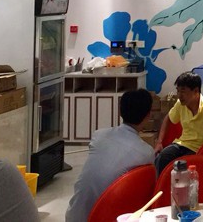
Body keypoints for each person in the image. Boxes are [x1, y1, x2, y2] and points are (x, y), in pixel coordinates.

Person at [65, 88, 155, 222]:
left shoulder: (98, 136)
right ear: (148, 115)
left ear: (120, 111)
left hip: (75, 215)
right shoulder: (146, 153)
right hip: (106, 217)